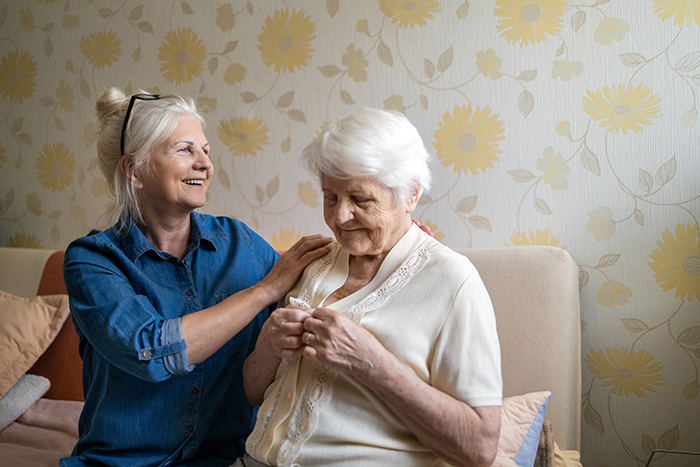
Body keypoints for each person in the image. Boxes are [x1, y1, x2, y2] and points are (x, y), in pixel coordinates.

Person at [61, 88, 331, 467]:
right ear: (134, 170)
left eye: (206, 151)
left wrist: (390, 248)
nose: (205, 164)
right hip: (121, 463)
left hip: (226, 460)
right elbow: (151, 352)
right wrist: (262, 292)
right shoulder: (92, 261)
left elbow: (320, 286)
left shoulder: (240, 244)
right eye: (185, 150)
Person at [238, 108, 503, 467]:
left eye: (360, 200)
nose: (340, 217)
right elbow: (253, 393)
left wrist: (372, 364)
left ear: (410, 195)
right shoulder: (310, 261)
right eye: (330, 197)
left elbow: (480, 448)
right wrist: (268, 344)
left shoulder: (453, 281)